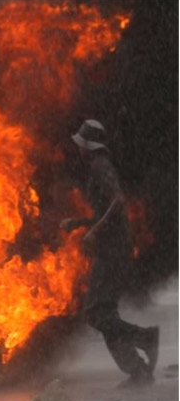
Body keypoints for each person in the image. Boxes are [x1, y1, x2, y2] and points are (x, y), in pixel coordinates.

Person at [61, 119, 159, 386]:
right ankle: (138, 371)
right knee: (104, 313)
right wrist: (79, 223)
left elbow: (117, 202)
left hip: (113, 251)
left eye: (81, 145)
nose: (78, 150)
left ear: (89, 147)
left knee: (96, 312)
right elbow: (105, 212)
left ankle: (145, 338)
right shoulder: (99, 166)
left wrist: (92, 233)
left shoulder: (100, 166)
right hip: (112, 248)